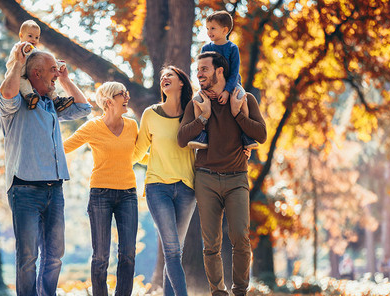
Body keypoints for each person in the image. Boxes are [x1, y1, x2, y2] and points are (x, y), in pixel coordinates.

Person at [0, 46, 92, 296]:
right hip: (24, 188)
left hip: (55, 188)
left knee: (54, 256)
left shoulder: (50, 105)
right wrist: (18, 64)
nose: (56, 73)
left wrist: (66, 79)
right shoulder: (17, 103)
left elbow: (84, 108)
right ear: (36, 73)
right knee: (28, 258)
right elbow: (6, 93)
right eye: (52, 70)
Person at [177, 51, 267, 296]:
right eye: (198, 70)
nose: (199, 74)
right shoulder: (197, 103)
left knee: (240, 237)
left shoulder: (244, 98)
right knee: (211, 243)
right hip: (205, 178)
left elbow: (261, 135)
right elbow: (182, 139)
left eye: (204, 69)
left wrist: (238, 114)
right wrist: (203, 117)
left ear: (219, 71)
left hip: (237, 177)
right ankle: (218, 291)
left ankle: (239, 290)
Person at [63, 82, 138, 296]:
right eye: (121, 94)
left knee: (128, 254)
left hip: (128, 195)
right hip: (100, 196)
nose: (127, 97)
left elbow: (141, 152)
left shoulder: (132, 126)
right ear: (108, 101)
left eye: (127, 92)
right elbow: (64, 147)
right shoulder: (92, 127)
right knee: (101, 256)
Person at [132, 66, 196, 296]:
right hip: (158, 187)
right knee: (171, 249)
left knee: (175, 252)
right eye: (162, 77)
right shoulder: (150, 114)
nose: (164, 79)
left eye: (170, 75)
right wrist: (113, 159)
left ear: (181, 83)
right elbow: (138, 151)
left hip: (188, 188)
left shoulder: (194, 112)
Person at [187, 11, 258, 150]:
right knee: (197, 100)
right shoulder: (206, 48)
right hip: (211, 85)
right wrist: (204, 90)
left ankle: (246, 135)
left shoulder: (232, 48)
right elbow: (203, 71)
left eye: (212, 28)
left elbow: (234, 73)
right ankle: (201, 134)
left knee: (242, 98)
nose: (209, 32)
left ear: (225, 30)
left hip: (232, 84)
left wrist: (227, 91)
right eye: (207, 28)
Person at [5, 20, 73, 111]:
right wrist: (26, 47)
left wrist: (58, 64)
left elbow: (45, 60)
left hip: (29, 74)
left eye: (37, 37)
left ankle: (56, 100)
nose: (33, 39)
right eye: (30, 36)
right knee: (24, 83)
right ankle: (29, 97)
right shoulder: (19, 47)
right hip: (18, 75)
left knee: (47, 82)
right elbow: (24, 50)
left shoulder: (35, 50)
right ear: (21, 36)